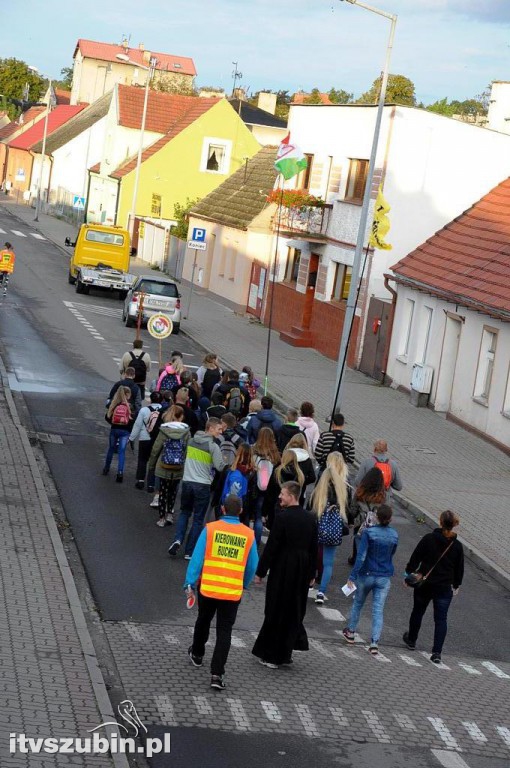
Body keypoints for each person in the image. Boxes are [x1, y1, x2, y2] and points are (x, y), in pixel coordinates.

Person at [186, 495, 258, 691]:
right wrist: (244, 582)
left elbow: (197, 559)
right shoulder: (248, 534)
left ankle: (198, 654)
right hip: (232, 591)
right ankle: (217, 674)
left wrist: (190, 583)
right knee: (224, 631)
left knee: (203, 620)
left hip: (208, 588)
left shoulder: (210, 529)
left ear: (223, 510)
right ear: (240, 511)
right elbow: (252, 565)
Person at [252, 481, 318, 669]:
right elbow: (314, 547)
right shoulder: (310, 518)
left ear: (292, 496)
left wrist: (260, 572)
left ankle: (272, 655)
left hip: (284, 568)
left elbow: (272, 547)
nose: (280, 497)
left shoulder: (282, 518)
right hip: (302, 569)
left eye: (282, 494)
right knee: (293, 610)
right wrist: (312, 572)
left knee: (276, 608)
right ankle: (285, 653)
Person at [403, 510, 464, 664]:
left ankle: (411, 640)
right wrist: (456, 585)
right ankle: (436, 652)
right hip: (444, 587)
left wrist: (409, 574)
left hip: (425, 582)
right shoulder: (457, 546)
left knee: (418, 611)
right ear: (454, 525)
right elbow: (459, 568)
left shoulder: (429, 538)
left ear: (440, 522)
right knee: (441, 619)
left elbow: (415, 557)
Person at [342, 504, 399, 655]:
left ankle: (351, 632)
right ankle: (374, 642)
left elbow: (361, 557)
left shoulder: (368, 533)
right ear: (391, 519)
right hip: (384, 576)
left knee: (358, 604)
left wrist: (352, 576)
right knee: (378, 610)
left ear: (377, 517)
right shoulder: (394, 535)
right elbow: (392, 553)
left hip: (366, 574)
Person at [168, 418, 226, 560]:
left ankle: (178, 540)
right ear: (210, 428)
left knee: (184, 513)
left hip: (187, 482)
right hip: (202, 485)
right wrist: (224, 460)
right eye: (219, 429)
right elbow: (220, 467)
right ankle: (189, 551)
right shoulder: (213, 446)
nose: (221, 432)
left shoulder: (191, 441)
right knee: (198, 519)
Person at [310, 451, 350, 605]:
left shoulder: (323, 481)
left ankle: (310, 581)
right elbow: (348, 509)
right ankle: (321, 592)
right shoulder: (344, 485)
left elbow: (311, 504)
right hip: (334, 528)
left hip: (319, 523)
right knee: (328, 562)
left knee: (313, 555)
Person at [148, 405, 190, 527]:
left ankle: (161, 518)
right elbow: (187, 451)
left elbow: (156, 449)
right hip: (178, 466)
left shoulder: (164, 430)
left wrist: (151, 466)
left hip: (163, 465)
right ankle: (170, 514)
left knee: (163, 491)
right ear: (181, 417)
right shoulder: (186, 432)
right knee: (173, 492)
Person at [347, 467, 386, 565]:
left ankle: (356, 559)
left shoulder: (360, 492)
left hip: (361, 523)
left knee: (358, 543)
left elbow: (353, 510)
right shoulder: (382, 495)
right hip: (376, 525)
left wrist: (351, 520)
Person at [263, 448, 307, 530]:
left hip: (278, 505)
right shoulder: (300, 475)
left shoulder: (278, 472)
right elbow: (301, 494)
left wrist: (265, 511)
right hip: (293, 508)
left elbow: (270, 491)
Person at [252, 428, 281, 546]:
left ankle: (253, 542)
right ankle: (261, 543)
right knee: (264, 514)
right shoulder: (275, 454)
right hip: (270, 489)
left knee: (255, 515)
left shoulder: (254, 450)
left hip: (256, 487)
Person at [129, 391, 163, 489]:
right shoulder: (164, 410)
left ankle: (140, 480)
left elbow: (137, 425)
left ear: (151, 399)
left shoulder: (144, 410)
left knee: (142, 459)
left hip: (144, 437)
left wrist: (131, 438)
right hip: (157, 439)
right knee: (154, 460)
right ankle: (151, 484)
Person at [102, 386, 133, 483]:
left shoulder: (114, 404)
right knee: (121, 452)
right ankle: (120, 473)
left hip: (114, 430)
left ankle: (106, 468)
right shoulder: (129, 406)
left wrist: (114, 423)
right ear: (127, 395)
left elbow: (107, 417)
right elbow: (132, 419)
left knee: (111, 449)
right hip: (125, 431)